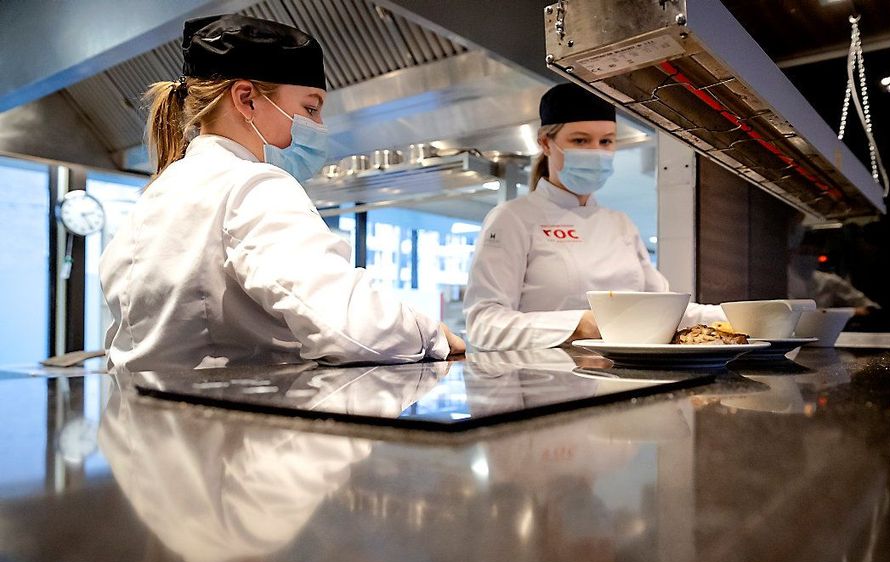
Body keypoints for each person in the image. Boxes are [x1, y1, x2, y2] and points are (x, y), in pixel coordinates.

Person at [99, 14, 464, 371]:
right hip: (233, 426)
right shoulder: (250, 186)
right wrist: (431, 334)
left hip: (146, 423)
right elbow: (350, 326)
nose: (318, 126)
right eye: (310, 108)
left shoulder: (155, 194)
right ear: (247, 99)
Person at [464, 83, 724, 351]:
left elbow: (666, 309)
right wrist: (580, 325)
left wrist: (735, 317)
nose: (596, 151)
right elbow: (484, 325)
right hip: (546, 383)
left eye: (606, 141)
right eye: (580, 140)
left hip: (625, 380)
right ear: (545, 143)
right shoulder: (512, 219)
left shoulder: (620, 224)